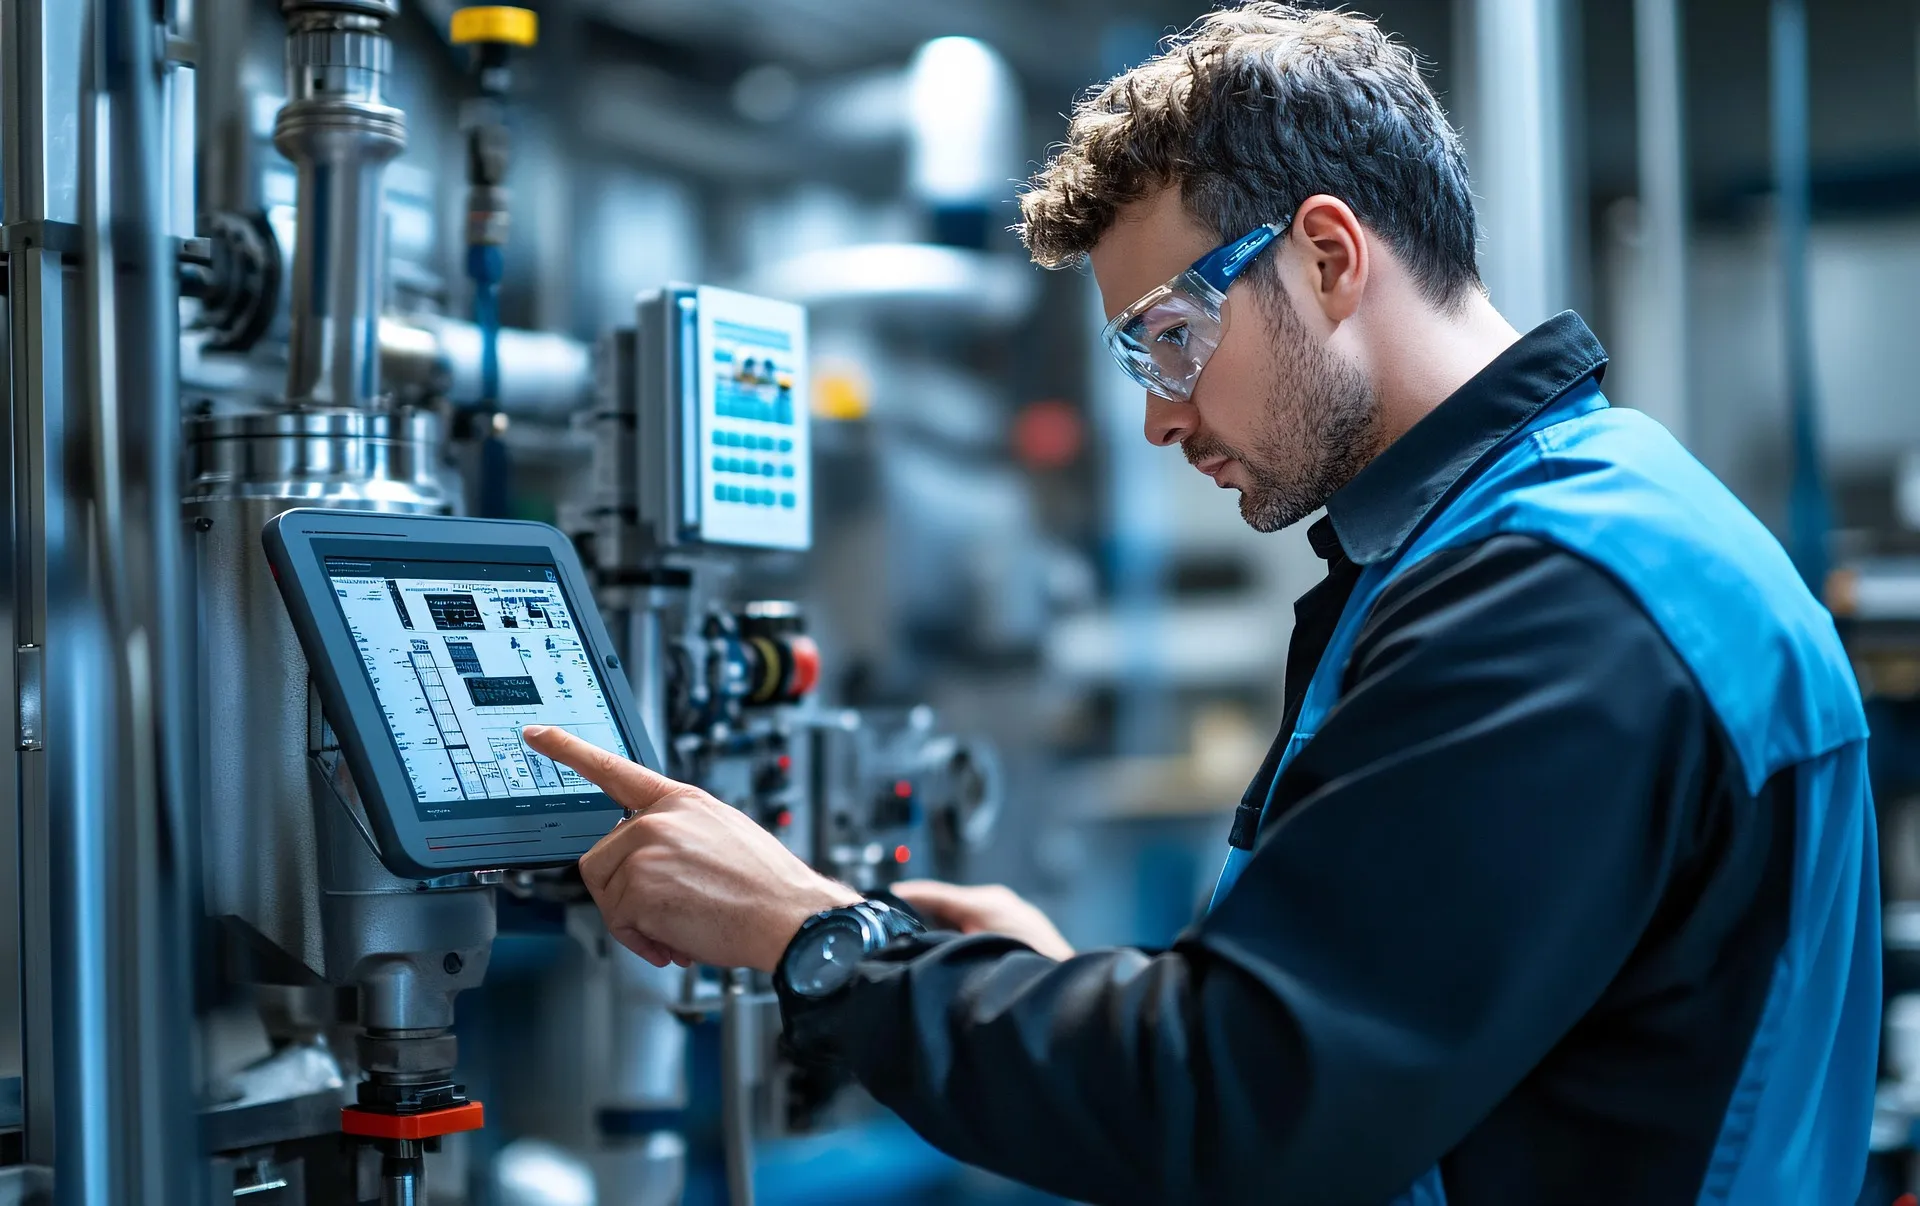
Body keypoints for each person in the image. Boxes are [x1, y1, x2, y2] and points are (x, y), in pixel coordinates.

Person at [524, 5, 1881, 1203]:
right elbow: (1373, 1049)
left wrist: (814, 937)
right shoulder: (1563, 528)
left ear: (1332, 257)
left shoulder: (1551, 598)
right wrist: (1072, 992)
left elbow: (1247, 1111)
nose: (1164, 416)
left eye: (1173, 336)